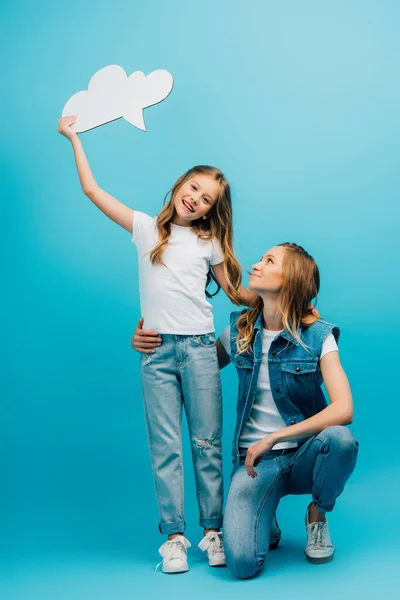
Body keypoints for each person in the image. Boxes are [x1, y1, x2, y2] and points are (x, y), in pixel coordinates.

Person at [58, 116, 256, 574]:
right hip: (157, 354)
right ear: (179, 185)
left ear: (210, 211)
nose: (195, 198)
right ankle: (174, 537)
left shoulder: (211, 243)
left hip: (202, 351)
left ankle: (212, 531)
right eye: (193, 187)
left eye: (206, 199)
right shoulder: (148, 229)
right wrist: (74, 138)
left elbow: (238, 295)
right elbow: (93, 192)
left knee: (206, 442)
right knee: (165, 446)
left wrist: (287, 295)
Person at [132, 242, 359, 578]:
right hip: (255, 466)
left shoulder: (317, 336)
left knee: (340, 441)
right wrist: (154, 345)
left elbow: (344, 409)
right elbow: (191, 366)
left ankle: (317, 514)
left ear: (291, 279)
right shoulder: (239, 331)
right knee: (241, 564)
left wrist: (274, 438)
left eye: (269, 261)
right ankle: (267, 516)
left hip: (303, 456)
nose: (257, 264)